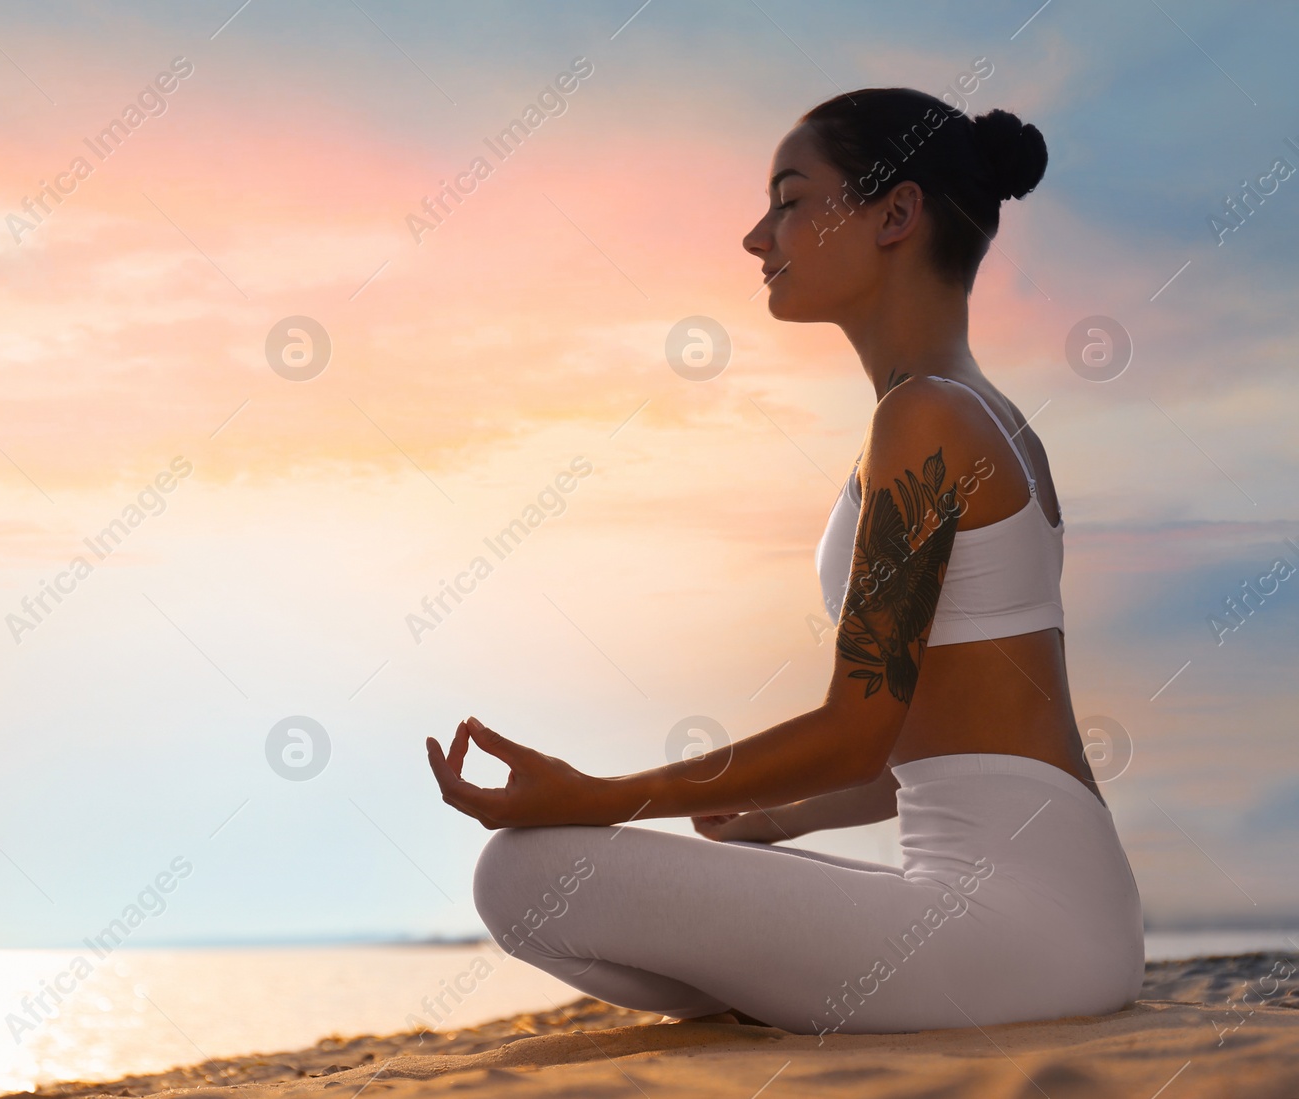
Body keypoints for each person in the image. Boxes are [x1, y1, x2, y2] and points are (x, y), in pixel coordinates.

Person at [424, 87, 1145, 1036]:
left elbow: (857, 729)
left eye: (791, 199)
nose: (757, 238)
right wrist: (778, 821)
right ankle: (785, 988)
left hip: (1021, 931)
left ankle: (780, 996)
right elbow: (941, 744)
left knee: (521, 874)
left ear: (896, 213)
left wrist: (603, 794)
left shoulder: (924, 419)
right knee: (604, 877)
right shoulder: (990, 417)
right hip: (1066, 910)